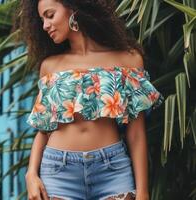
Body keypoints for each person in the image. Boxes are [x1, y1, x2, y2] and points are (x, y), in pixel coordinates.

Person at [16, 0, 165, 199]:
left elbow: (136, 133)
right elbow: (44, 130)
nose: (45, 26)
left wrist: (143, 192)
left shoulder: (129, 60)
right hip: (58, 173)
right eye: (41, 19)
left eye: (50, 15)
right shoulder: (50, 66)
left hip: (113, 171)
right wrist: (31, 173)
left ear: (74, 8)